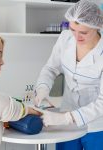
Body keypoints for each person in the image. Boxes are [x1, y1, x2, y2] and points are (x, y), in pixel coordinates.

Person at [34, 0, 103, 150]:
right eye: (73, 29)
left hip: (97, 126)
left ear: (98, 26)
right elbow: (51, 68)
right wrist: (43, 88)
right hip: (67, 119)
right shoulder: (65, 38)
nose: (77, 37)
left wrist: (66, 118)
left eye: (83, 32)